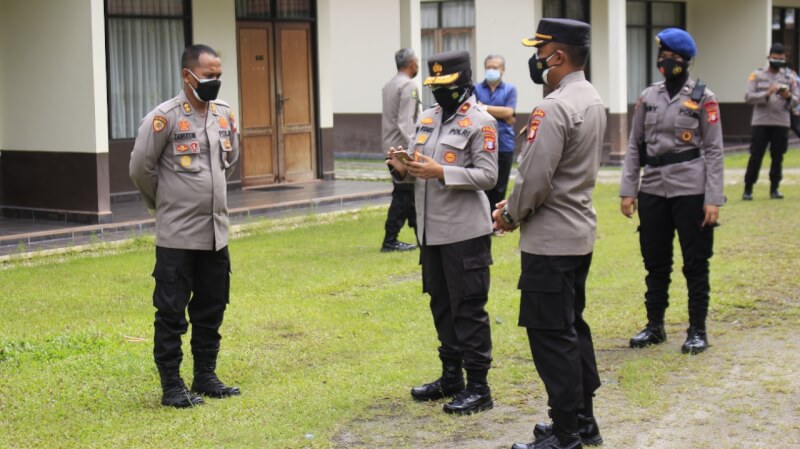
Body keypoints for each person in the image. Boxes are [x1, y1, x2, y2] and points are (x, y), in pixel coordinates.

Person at [493, 18, 605, 449]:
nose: (536, 60)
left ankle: (565, 435)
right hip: (577, 232)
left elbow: (536, 178)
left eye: (540, 51)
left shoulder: (554, 106)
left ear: (557, 55)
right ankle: (583, 420)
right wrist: (516, 203)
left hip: (550, 241)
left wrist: (509, 215)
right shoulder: (591, 98)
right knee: (572, 328)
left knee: (551, 337)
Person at [387, 50, 498, 415]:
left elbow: (489, 176)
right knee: (441, 305)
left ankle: (479, 386)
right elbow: (422, 165)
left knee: (468, 309)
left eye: (445, 85)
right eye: (433, 85)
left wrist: (441, 173)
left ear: (464, 83)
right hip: (431, 232)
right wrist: (402, 167)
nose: (438, 92)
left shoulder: (480, 121)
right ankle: (452, 376)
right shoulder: (428, 118)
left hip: (465, 233)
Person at [130, 44, 241, 408]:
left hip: (215, 234)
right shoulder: (164, 118)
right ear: (188, 75)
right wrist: (162, 204)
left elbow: (230, 161)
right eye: (209, 75)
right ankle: (172, 385)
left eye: (218, 75)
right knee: (171, 312)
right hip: (177, 236)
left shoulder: (224, 115)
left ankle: (205, 375)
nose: (215, 81)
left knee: (212, 307)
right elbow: (140, 169)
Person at [620, 28, 724, 356]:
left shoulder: (704, 97)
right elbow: (635, 145)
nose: (664, 61)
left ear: (683, 61)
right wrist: (628, 189)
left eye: (670, 56)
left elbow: (715, 150)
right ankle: (655, 326)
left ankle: (697, 330)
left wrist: (713, 198)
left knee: (695, 262)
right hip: (652, 188)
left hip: (690, 189)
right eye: (662, 55)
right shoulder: (648, 97)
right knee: (655, 261)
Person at [743, 42, 799, 200]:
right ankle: (748, 189)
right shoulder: (757, 75)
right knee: (755, 156)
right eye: (775, 59)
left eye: (781, 60)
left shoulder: (790, 77)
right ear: (769, 57)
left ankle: (775, 189)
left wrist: (788, 96)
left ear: (785, 59)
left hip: (781, 122)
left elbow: (797, 99)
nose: (778, 62)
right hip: (760, 122)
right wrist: (767, 93)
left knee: (778, 157)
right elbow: (748, 97)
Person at [381, 48, 421, 252]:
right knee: (404, 196)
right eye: (417, 62)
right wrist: (416, 148)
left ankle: (421, 234)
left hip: (390, 146)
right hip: (402, 149)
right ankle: (390, 239)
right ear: (412, 63)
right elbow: (406, 123)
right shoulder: (408, 85)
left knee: (410, 195)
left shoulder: (389, 85)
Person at [474, 54, 518, 227]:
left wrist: (484, 107)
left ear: (503, 70)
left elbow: (509, 112)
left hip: (504, 143)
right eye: (488, 67)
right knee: (483, 184)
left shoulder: (510, 90)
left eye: (495, 67)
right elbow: (474, 110)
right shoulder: (476, 88)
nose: (491, 70)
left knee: (500, 185)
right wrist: (501, 113)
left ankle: (495, 222)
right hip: (481, 143)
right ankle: (481, 223)